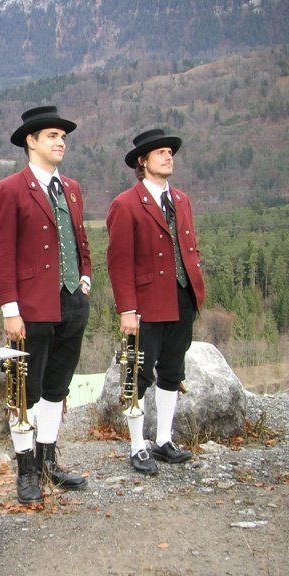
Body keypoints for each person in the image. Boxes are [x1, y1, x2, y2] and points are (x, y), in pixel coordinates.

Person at [0, 105, 90, 503]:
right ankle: (26, 468)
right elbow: (2, 254)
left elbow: (80, 240)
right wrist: (10, 310)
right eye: (52, 136)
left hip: (72, 302)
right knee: (23, 390)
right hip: (30, 307)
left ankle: (48, 460)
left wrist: (85, 280)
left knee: (56, 386)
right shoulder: (9, 189)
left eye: (63, 136)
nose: (60, 142)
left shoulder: (72, 188)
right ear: (31, 141)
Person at [106, 128, 205, 474]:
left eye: (170, 152)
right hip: (145, 304)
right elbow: (119, 263)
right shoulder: (125, 204)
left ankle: (163, 440)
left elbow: (189, 248)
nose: (168, 156)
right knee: (138, 374)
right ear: (142, 161)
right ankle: (137, 446)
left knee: (173, 371)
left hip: (182, 297)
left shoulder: (181, 200)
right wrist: (127, 309)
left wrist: (195, 287)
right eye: (160, 152)